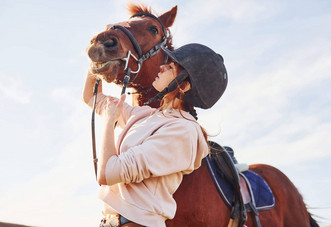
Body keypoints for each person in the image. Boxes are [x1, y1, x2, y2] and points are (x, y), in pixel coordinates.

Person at [82, 43, 227, 227]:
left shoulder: (183, 131)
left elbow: (107, 173)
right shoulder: (147, 116)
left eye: (171, 66)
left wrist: (110, 121)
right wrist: (97, 58)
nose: (162, 66)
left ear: (184, 85)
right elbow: (91, 98)